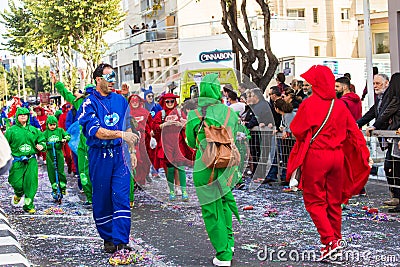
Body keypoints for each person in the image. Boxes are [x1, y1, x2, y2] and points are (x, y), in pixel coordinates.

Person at [286, 65, 370, 261]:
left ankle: (328, 241)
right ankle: (336, 243)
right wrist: (364, 155)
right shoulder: (340, 105)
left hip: (317, 156)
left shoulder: (309, 104)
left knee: (314, 201)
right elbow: (354, 132)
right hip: (337, 157)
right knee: (334, 202)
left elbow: (297, 129)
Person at [78, 63, 139, 255]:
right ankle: (108, 238)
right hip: (99, 156)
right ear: (98, 80)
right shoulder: (89, 103)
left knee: (121, 196)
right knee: (103, 199)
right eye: (109, 77)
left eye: (114, 77)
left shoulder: (121, 100)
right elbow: (97, 132)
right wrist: (122, 135)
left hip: (120, 156)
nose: (113, 81)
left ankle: (121, 240)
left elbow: (127, 124)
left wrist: (132, 151)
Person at [186, 73, 240, 267]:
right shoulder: (230, 113)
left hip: (205, 165)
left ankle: (223, 253)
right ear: (218, 90)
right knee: (225, 203)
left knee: (211, 209)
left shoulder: (194, 114)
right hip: (227, 165)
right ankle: (229, 243)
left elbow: (191, 142)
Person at [5, 107, 47, 214]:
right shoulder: (11, 131)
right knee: (16, 182)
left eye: (25, 114)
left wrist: (42, 145)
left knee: (31, 183)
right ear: (17, 116)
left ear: (28, 116)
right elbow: (5, 145)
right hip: (16, 161)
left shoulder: (33, 130)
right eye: (21, 114)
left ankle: (28, 205)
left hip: (31, 161)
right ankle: (18, 194)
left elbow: (42, 140)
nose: (23, 116)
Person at [152, 93, 192, 201]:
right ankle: (171, 191)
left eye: (172, 101)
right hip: (166, 143)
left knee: (180, 166)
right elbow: (154, 126)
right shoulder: (161, 114)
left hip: (178, 142)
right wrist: (163, 125)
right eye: (167, 101)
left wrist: (182, 125)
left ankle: (184, 191)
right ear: (164, 102)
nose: (170, 103)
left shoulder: (179, 112)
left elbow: (187, 125)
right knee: (169, 167)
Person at [43, 115, 71, 199]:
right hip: (50, 153)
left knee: (60, 169)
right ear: (47, 124)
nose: (52, 126)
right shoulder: (45, 133)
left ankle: (63, 185)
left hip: (58, 152)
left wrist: (65, 139)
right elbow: (41, 139)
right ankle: (54, 186)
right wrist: (43, 143)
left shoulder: (60, 130)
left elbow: (67, 135)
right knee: (51, 170)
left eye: (54, 125)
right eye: (50, 125)